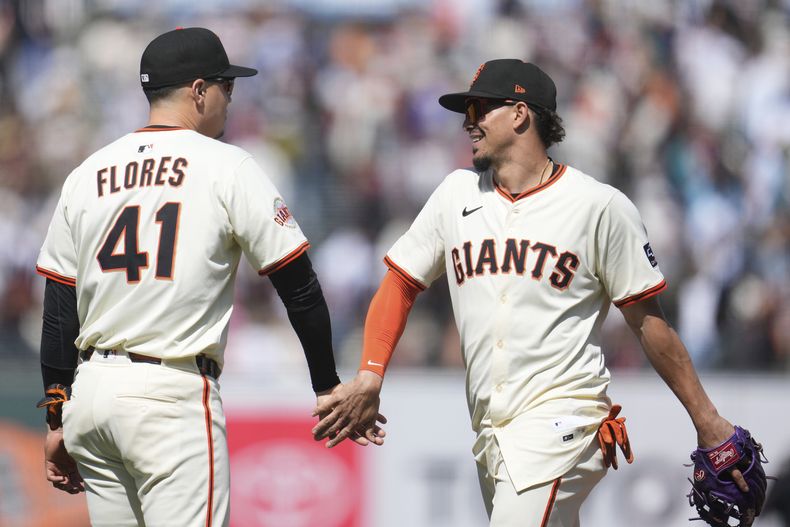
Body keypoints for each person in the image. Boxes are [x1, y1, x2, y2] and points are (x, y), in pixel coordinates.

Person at [313, 59, 749, 526]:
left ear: (520, 114)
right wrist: (371, 374)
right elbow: (400, 284)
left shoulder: (598, 206)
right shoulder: (454, 195)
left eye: (480, 109)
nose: (468, 123)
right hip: (491, 430)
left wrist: (708, 421)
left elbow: (649, 323)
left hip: (564, 420)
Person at [35, 27, 382, 527]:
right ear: (199, 91)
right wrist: (326, 385)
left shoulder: (88, 173)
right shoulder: (228, 165)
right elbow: (298, 283)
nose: (230, 99)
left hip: (91, 397)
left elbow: (59, 309)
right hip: (169, 396)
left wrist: (55, 416)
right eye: (227, 86)